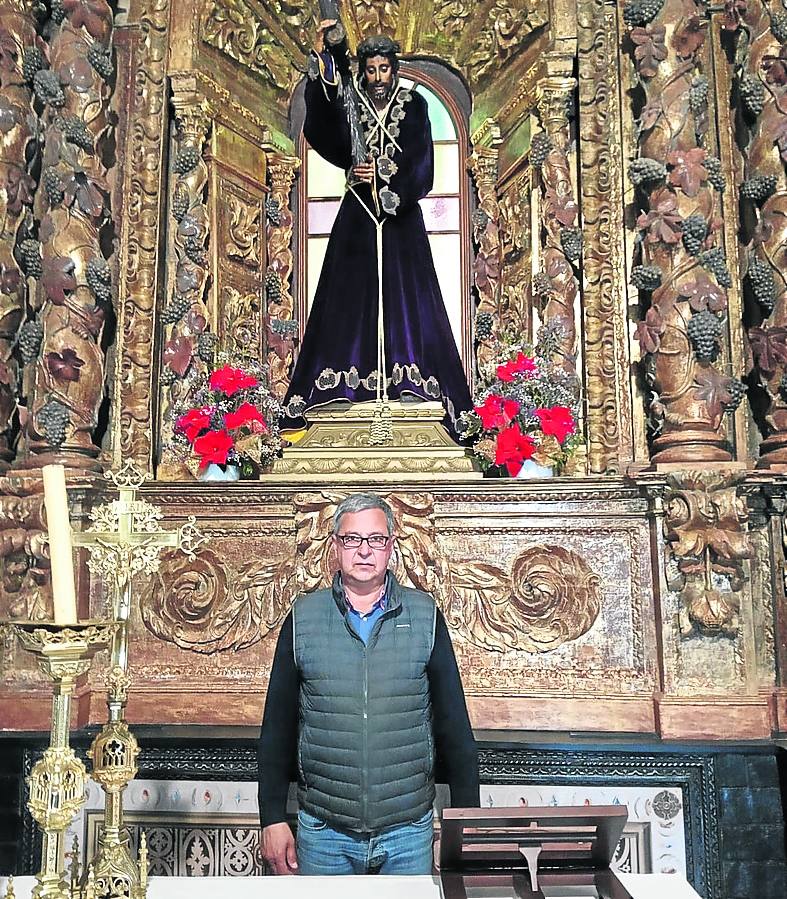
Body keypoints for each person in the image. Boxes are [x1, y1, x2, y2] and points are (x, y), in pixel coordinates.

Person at [258, 493, 479, 875]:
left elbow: (454, 727)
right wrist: (272, 818)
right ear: (335, 547)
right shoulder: (303, 618)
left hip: (407, 832)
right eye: (352, 539)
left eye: (376, 539)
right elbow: (277, 727)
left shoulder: (425, 616)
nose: (364, 551)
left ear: (391, 546)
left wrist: (465, 826)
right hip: (325, 832)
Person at [281, 28, 473, 438]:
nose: (379, 77)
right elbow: (328, 131)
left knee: (409, 300)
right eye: (371, 70)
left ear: (395, 69)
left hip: (400, 220)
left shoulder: (415, 104)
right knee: (348, 296)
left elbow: (423, 165)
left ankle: (409, 382)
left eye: (385, 69)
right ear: (363, 72)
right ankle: (346, 384)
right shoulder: (353, 104)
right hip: (358, 215)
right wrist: (325, 67)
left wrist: (393, 189)